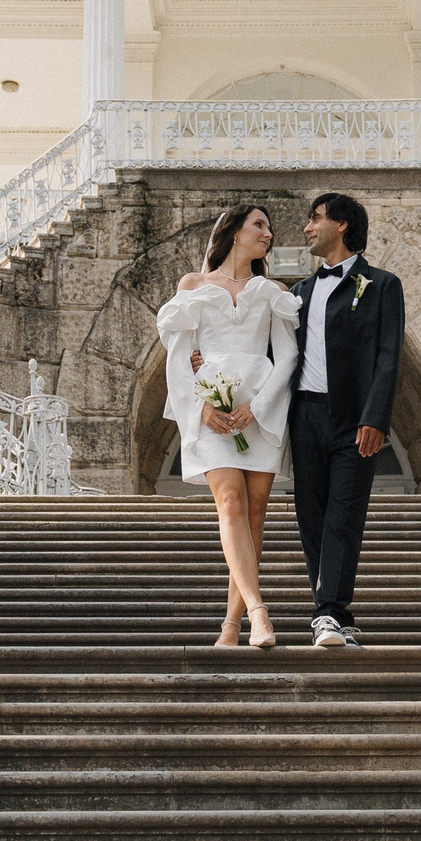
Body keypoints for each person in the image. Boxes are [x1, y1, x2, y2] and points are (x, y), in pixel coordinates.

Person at [155, 204, 297, 649]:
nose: (268, 234)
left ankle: (230, 626)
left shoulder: (272, 290)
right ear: (234, 231)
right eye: (259, 225)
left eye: (269, 228)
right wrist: (199, 409)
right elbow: (179, 355)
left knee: (256, 515)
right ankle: (259, 611)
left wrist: (258, 407)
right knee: (231, 504)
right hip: (210, 407)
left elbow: (288, 355)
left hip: (261, 409)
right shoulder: (193, 286)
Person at [286, 191, 403, 649]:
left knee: (344, 514)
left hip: (356, 420)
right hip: (305, 415)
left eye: (315, 218)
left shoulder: (382, 285)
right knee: (310, 515)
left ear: (343, 226)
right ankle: (338, 612)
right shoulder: (299, 293)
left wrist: (376, 417)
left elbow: (388, 358)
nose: (307, 227)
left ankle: (328, 612)